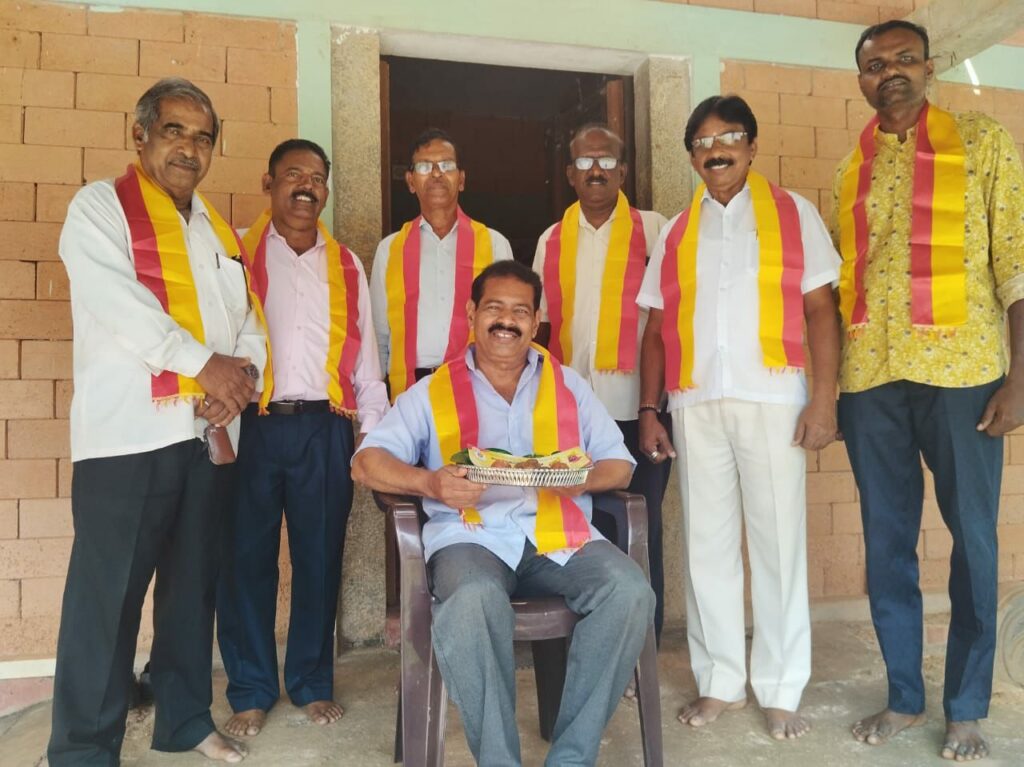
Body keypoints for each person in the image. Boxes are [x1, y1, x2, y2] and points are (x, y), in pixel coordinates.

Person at [352, 260, 655, 766]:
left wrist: (577, 478)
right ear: (472, 314)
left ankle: (571, 758)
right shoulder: (433, 391)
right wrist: (430, 482)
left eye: (520, 311)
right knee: (473, 599)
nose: (506, 321)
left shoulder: (568, 385)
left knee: (629, 591)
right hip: (470, 539)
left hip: (559, 536)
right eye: (494, 308)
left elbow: (620, 466)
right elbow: (366, 463)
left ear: (535, 322)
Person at [48, 77, 266, 765]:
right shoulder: (99, 208)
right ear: (139, 134)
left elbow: (249, 323)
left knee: (191, 591)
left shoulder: (218, 231)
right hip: (128, 440)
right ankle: (84, 749)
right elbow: (121, 306)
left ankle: (184, 720)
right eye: (174, 131)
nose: (189, 148)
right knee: (106, 599)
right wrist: (205, 365)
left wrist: (240, 381)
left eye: (203, 137)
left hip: (205, 437)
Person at [831, 20, 1024, 762]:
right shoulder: (852, 167)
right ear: (861, 80)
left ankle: (966, 706)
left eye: (904, 59)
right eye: (875, 64)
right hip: (871, 379)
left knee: (973, 539)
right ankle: (904, 695)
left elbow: (1016, 261)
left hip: (963, 373)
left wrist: (1020, 378)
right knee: (887, 542)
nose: (891, 72)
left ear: (930, 66)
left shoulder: (982, 142)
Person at [638, 95, 841, 740]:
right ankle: (719, 680)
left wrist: (825, 398)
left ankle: (780, 686)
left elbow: (821, 310)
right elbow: (656, 328)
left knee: (778, 544)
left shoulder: (793, 212)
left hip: (774, 398)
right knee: (707, 546)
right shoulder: (676, 230)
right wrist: (650, 409)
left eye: (728, 137)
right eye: (702, 142)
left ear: (751, 146)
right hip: (695, 403)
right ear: (692, 157)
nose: (716, 150)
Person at [215, 139, 388, 738]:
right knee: (245, 561)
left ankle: (312, 682)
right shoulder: (234, 254)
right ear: (269, 184)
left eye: (317, 177)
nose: (306, 186)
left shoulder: (346, 265)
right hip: (251, 424)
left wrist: (370, 439)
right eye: (293, 174)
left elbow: (366, 362)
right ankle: (251, 689)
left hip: (324, 427)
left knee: (319, 559)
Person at [533, 123, 673, 641]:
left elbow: (669, 323)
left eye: (607, 161)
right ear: (569, 174)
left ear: (623, 171)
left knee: (640, 526)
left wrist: (653, 408)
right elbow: (542, 328)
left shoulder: (655, 230)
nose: (596, 170)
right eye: (585, 162)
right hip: (572, 415)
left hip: (638, 408)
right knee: (579, 530)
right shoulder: (551, 240)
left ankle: (642, 645)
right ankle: (587, 641)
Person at [369, 128, 513, 401]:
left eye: (446, 165)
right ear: (411, 181)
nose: (436, 174)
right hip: (411, 393)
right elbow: (379, 336)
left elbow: (508, 326)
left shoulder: (494, 245)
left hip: (479, 390)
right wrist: (377, 404)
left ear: (461, 179)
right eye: (425, 167)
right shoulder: (390, 249)